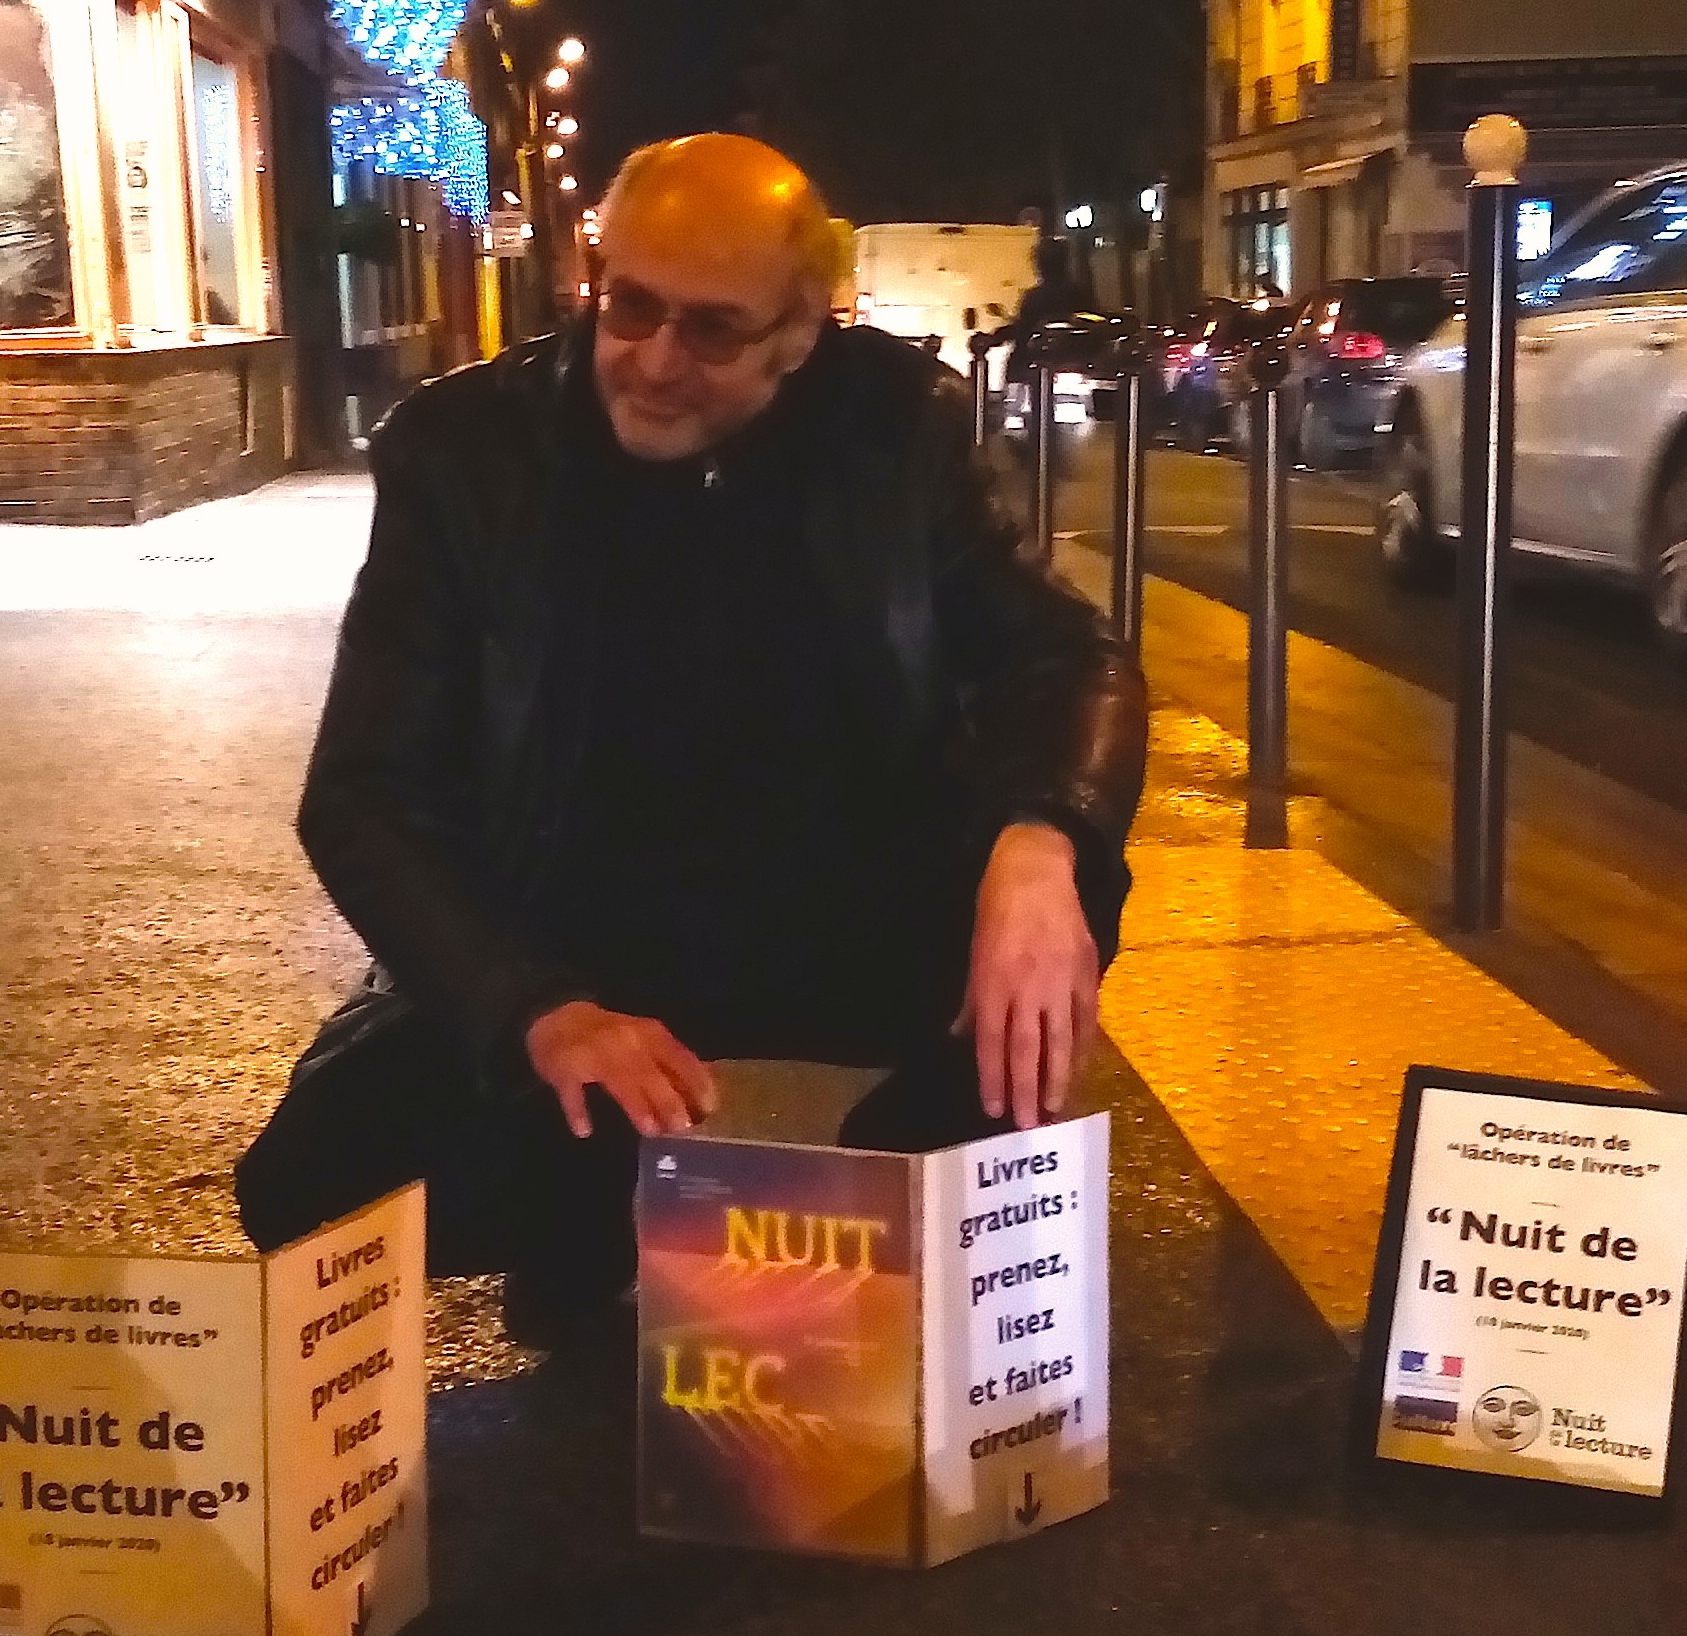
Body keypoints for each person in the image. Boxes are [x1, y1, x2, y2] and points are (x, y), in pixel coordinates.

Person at [235, 132, 1144, 1334]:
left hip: (836, 915)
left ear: (797, 334)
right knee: (314, 1192)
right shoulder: (462, 454)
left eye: (712, 331)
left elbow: (1065, 654)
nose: (654, 362)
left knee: (1057, 903)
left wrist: (1041, 845)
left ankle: (905, 1218)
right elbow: (358, 793)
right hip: (572, 936)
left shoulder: (887, 428)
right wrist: (532, 1010)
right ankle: (587, 1215)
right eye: (630, 308)